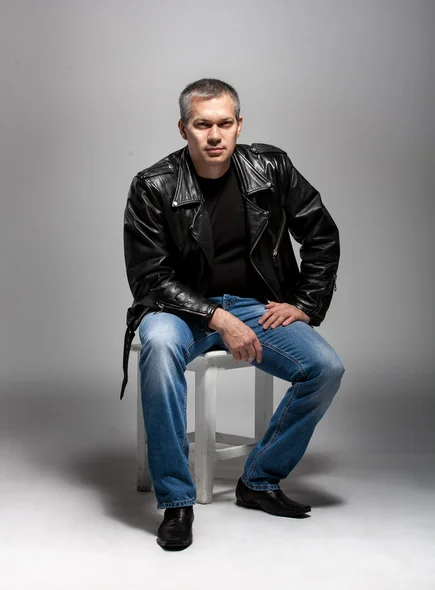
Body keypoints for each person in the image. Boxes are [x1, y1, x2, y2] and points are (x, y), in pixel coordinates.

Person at [120, 78, 345, 551]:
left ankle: (259, 480)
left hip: (253, 304)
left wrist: (305, 304)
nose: (215, 135)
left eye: (225, 123)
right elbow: (149, 278)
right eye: (203, 124)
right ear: (184, 129)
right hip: (176, 308)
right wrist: (217, 318)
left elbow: (321, 233)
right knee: (159, 348)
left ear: (240, 125)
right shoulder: (152, 185)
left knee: (325, 369)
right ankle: (176, 502)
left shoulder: (271, 167)